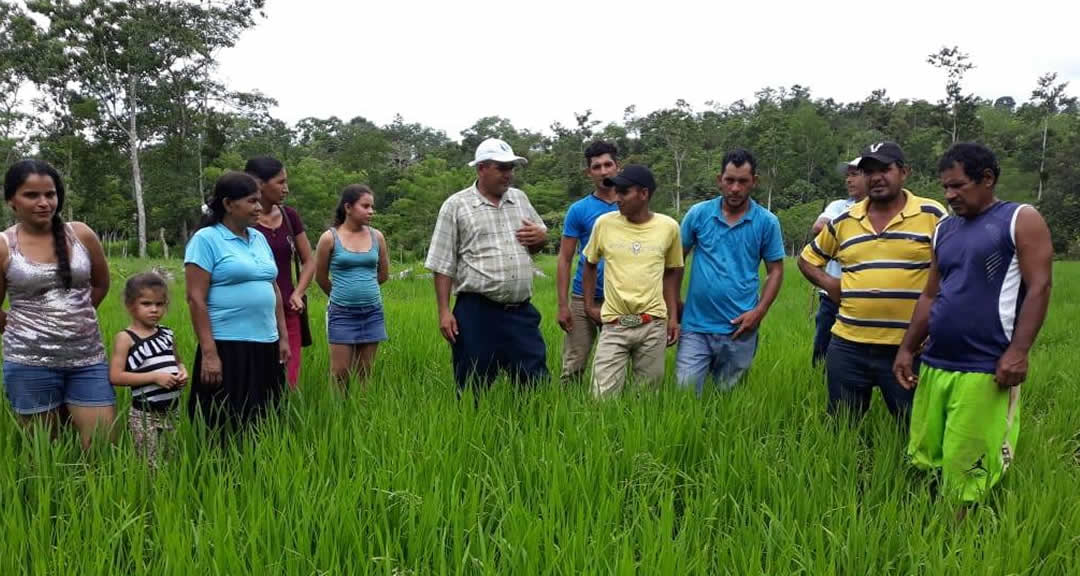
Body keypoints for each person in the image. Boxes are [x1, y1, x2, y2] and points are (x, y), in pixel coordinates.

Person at [894, 143, 1052, 503]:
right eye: (945, 187)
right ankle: (922, 524)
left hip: (985, 366)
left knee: (968, 468)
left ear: (987, 179)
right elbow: (930, 296)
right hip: (935, 363)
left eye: (958, 186)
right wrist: (906, 348)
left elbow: (1040, 287)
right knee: (924, 457)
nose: (949, 195)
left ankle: (958, 542)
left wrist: (1019, 352)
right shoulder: (945, 229)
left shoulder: (1019, 219)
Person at [798, 141, 946, 420]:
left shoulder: (932, 214)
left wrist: (937, 325)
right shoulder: (844, 219)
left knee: (914, 426)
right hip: (847, 345)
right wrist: (830, 285)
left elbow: (954, 271)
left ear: (904, 172)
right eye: (868, 170)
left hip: (908, 346)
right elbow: (807, 259)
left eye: (884, 169)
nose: (876, 176)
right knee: (842, 426)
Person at [0, 159, 113, 450]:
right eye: (32, 195)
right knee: (45, 453)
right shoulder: (4, 245)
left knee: (101, 446)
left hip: (87, 360)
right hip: (29, 363)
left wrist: (76, 320)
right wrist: (24, 329)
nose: (43, 202)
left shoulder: (80, 234)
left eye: (50, 194)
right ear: (12, 199)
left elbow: (100, 284)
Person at [425, 138, 549, 391]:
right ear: (481, 168)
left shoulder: (520, 199)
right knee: (473, 382)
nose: (508, 174)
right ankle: (472, 427)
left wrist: (541, 237)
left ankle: (532, 428)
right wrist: (444, 311)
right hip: (476, 312)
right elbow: (442, 263)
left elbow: (536, 243)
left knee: (534, 382)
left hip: (520, 311)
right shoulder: (456, 205)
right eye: (501, 168)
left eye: (511, 168)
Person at [185, 171, 289, 430]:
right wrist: (209, 353)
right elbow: (196, 299)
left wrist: (283, 337)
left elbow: (273, 288)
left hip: (266, 342)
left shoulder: (259, 238)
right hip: (229, 345)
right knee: (227, 420)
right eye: (252, 201)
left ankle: (260, 468)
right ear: (229, 204)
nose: (258, 208)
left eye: (259, 201)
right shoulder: (206, 239)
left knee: (265, 418)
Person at [676, 149, 785, 394]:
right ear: (719, 180)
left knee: (727, 397)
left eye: (743, 181)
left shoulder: (767, 222)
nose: (735, 188)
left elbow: (775, 270)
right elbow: (675, 262)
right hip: (696, 327)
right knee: (685, 392)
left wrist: (759, 312)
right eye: (730, 180)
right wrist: (673, 303)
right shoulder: (699, 214)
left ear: (754, 182)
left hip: (740, 328)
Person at [582, 164, 682, 397]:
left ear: (644, 194)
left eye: (624, 192)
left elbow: (672, 271)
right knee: (601, 397)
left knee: (646, 398)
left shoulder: (669, 227)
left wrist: (673, 317)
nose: (617, 198)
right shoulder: (604, 224)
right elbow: (589, 263)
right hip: (615, 324)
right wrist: (588, 306)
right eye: (617, 192)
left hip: (653, 324)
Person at [247, 156, 314, 389]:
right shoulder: (245, 221)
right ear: (259, 184)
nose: (286, 188)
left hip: (288, 309)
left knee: (289, 380)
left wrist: (298, 292)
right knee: (259, 379)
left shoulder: (289, 216)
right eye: (280, 182)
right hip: (253, 313)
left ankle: (284, 422)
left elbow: (309, 260)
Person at [314, 185, 389, 390]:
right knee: (340, 373)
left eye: (372, 207)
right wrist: (340, 294)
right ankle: (339, 415)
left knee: (365, 372)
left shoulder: (377, 237)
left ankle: (363, 416)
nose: (371, 211)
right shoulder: (329, 238)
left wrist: (364, 289)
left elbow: (383, 274)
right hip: (342, 313)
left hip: (372, 311)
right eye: (365, 206)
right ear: (348, 207)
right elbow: (320, 277)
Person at [556, 140, 619, 382]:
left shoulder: (632, 205)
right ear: (589, 172)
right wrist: (564, 305)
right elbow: (564, 258)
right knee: (575, 362)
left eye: (608, 164)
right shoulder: (579, 210)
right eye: (597, 167)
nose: (604, 171)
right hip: (584, 297)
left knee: (616, 362)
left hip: (621, 298)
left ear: (617, 166)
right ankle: (569, 413)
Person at [109, 272, 187, 466]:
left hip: (171, 411)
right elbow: (116, 376)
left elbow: (177, 360)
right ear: (130, 305)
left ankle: (168, 493)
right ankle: (149, 493)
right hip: (145, 414)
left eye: (159, 304)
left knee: (170, 460)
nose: (154, 310)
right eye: (146, 304)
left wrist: (183, 371)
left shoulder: (167, 334)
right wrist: (154, 377)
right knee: (149, 464)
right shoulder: (126, 338)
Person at [811, 158, 868, 365]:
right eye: (847, 175)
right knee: (823, 348)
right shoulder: (839, 206)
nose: (848, 180)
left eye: (854, 175)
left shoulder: (883, 210)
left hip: (867, 295)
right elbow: (818, 227)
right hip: (833, 293)